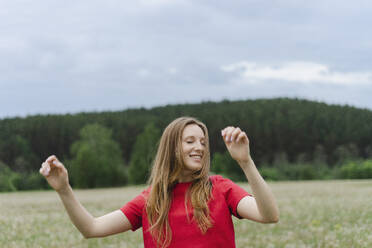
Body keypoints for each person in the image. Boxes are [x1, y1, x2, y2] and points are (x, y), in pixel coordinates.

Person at [40, 116, 279, 248]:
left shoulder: (221, 188)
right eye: (190, 141)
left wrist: (245, 162)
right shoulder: (150, 200)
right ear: (172, 147)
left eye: (203, 142)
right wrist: (64, 190)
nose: (199, 148)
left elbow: (268, 215)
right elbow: (92, 229)